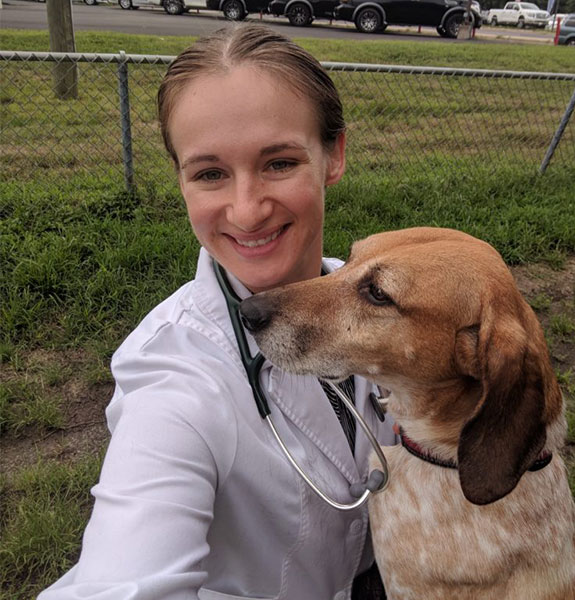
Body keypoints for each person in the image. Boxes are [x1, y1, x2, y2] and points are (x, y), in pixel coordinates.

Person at [38, 24, 396, 600]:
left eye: (279, 162)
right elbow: (124, 581)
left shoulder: (395, 305)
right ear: (181, 180)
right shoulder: (174, 376)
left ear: (334, 156)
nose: (248, 210)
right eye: (210, 174)